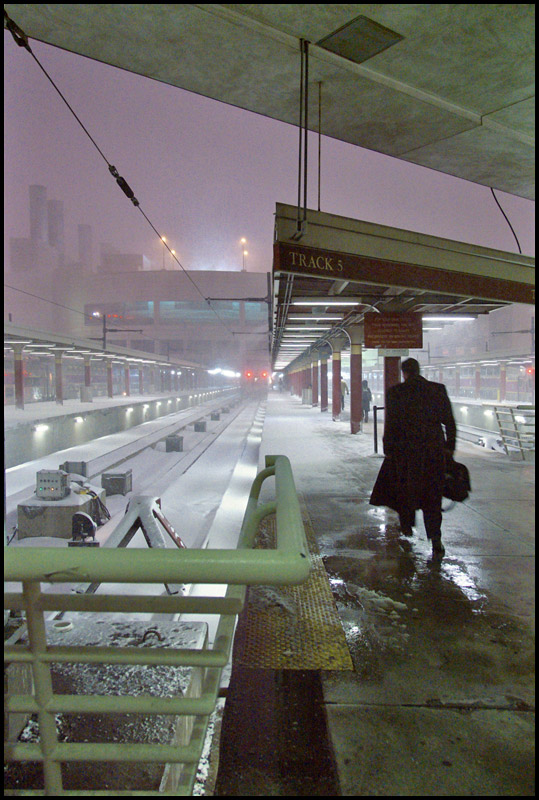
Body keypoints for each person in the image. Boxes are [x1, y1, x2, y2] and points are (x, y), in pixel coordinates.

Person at [370, 358, 456, 557]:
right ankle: (435, 539)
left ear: (404, 373)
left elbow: (390, 426)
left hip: (405, 453)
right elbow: (450, 423)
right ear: (418, 371)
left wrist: (388, 450)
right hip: (433, 453)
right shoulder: (438, 390)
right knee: (432, 496)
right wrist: (449, 449)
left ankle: (407, 528)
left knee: (405, 491)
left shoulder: (395, 393)